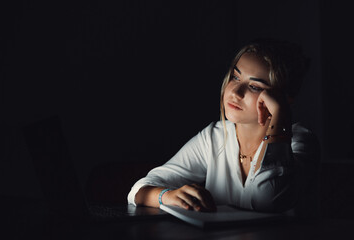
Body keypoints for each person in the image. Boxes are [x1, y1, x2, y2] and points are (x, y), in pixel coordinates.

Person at [127, 39, 320, 214]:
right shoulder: (215, 136)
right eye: (236, 77)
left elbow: (268, 201)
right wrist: (166, 196)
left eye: (254, 86)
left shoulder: (301, 142)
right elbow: (139, 189)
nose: (235, 92)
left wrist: (281, 116)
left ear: (285, 99)